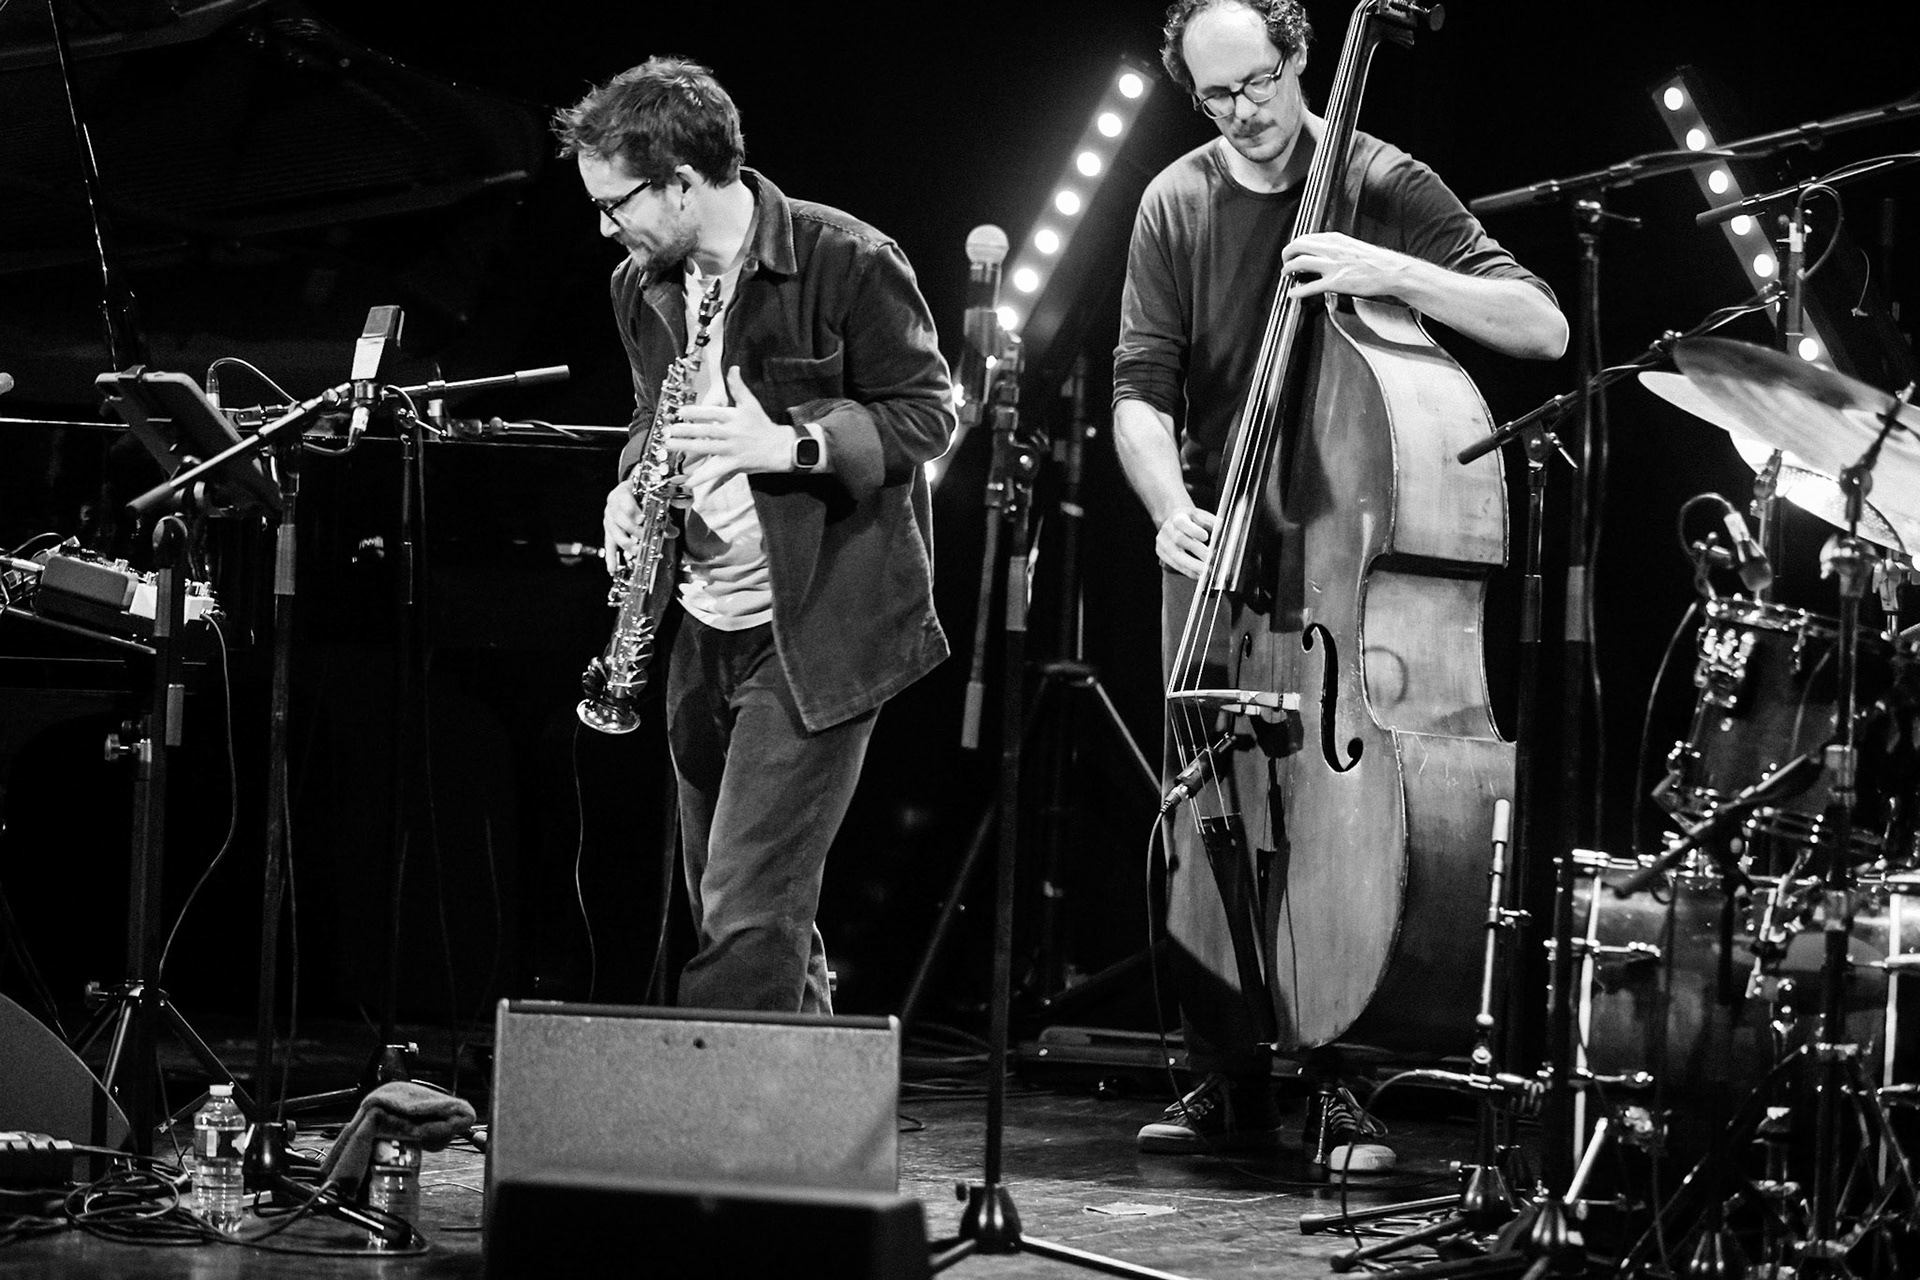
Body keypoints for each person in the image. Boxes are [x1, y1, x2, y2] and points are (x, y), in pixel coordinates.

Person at [1111, 0, 1568, 1171]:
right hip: (1224, 557)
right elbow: (1140, 391)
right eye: (1215, 94)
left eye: (1259, 82)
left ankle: (1345, 1077)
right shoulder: (1175, 200)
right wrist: (1170, 506)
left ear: (1300, 55)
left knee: (1342, 819)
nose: (1242, 111)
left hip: (1346, 575)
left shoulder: (1383, 179)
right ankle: (1227, 1070)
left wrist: (1385, 267)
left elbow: (1540, 325)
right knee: (1211, 804)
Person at [553, 57, 955, 1015]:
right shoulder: (639, 285)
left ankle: (710, 1108)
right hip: (702, 620)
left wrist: (794, 444)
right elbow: (654, 415)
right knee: (742, 907)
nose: (605, 227)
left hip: (816, 624)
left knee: (744, 909)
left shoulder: (846, 258)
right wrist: (629, 485)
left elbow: (927, 414)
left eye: (615, 204)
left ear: (682, 182)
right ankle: (803, 1107)